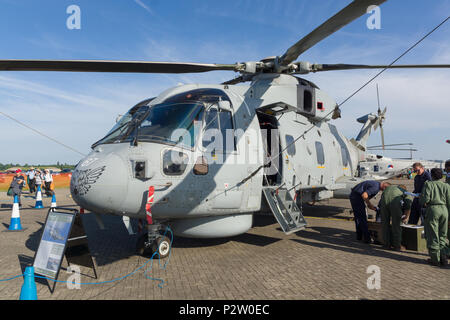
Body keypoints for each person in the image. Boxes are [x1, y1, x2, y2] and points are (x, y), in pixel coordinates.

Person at [419, 168, 450, 267]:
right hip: (444, 210)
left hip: (433, 209)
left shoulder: (429, 184)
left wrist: (421, 201)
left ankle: (435, 259)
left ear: (432, 175)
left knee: (433, 235)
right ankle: (443, 257)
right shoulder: (446, 186)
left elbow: (425, 199)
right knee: (442, 235)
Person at [379, 184, 412, 251]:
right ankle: (397, 246)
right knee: (396, 224)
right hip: (394, 203)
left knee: (385, 224)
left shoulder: (390, 188)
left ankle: (386, 244)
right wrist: (406, 216)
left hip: (383, 202)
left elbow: (380, 202)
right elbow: (408, 204)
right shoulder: (404, 191)